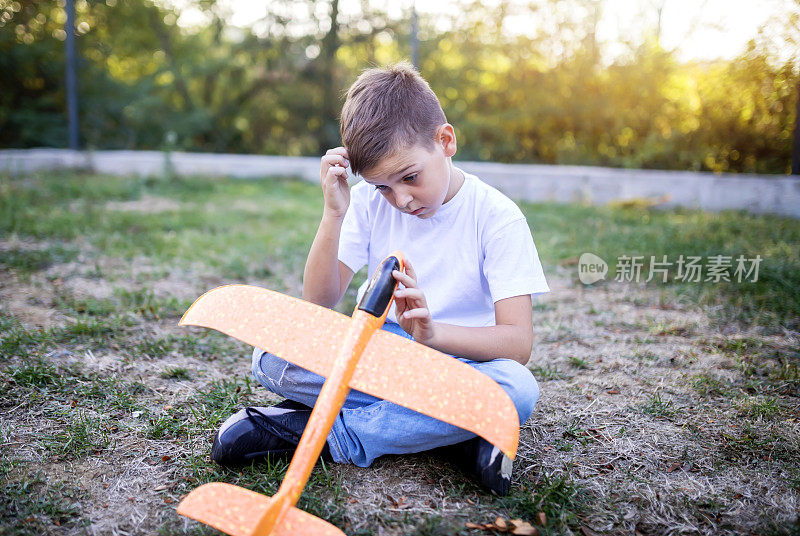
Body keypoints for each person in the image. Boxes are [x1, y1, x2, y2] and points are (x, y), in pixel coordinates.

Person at [211, 61, 550, 496]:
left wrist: (432, 333)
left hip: (459, 363)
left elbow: (517, 344)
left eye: (410, 178)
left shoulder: (497, 218)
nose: (402, 199)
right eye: (384, 187)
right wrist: (334, 213)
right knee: (271, 356)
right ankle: (456, 433)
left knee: (516, 390)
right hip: (381, 359)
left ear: (445, 141)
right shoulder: (371, 203)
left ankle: (334, 435)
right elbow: (318, 302)